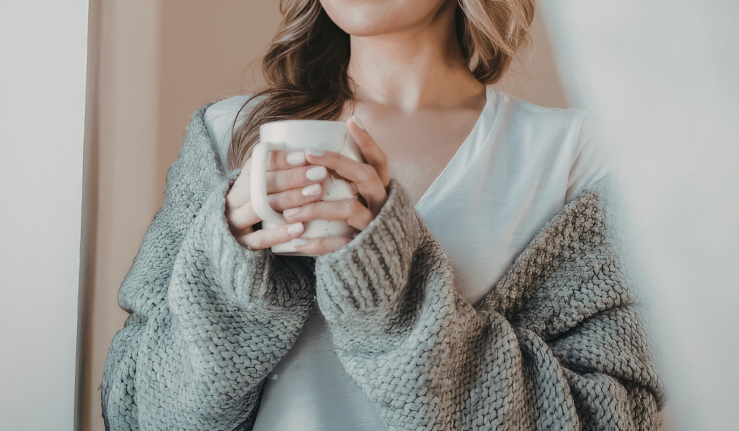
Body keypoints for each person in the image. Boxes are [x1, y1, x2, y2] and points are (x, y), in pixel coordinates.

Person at [100, 1, 664, 430]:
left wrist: (390, 288)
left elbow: (614, 415)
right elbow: (130, 409)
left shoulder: (573, 157)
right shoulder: (227, 137)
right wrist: (226, 275)